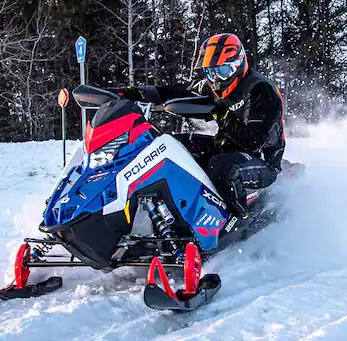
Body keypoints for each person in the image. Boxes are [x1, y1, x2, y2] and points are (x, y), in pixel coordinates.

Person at [122, 33, 285, 218]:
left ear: (238, 64)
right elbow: (176, 90)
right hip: (227, 147)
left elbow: (253, 141)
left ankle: (238, 221)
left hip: (263, 160)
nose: (216, 79)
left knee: (222, 168)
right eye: (210, 72)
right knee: (169, 146)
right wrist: (133, 94)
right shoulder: (213, 85)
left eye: (222, 71)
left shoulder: (262, 91)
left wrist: (221, 115)